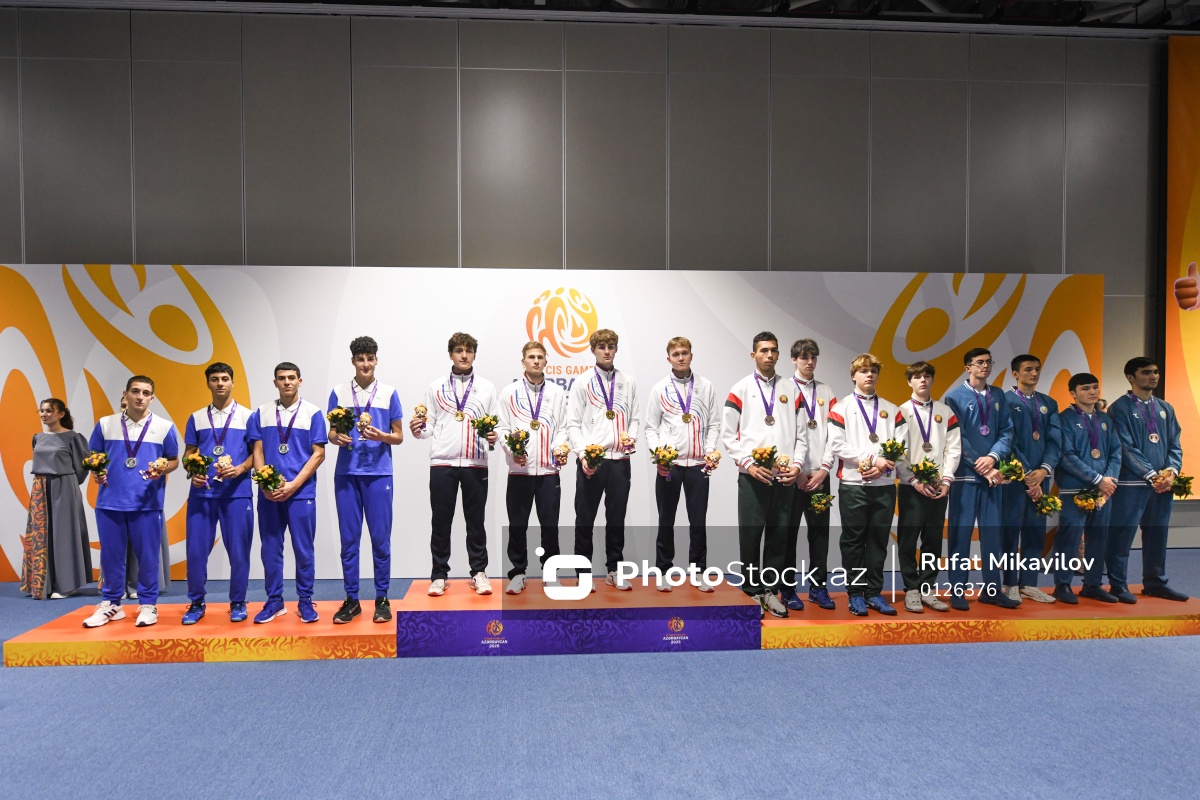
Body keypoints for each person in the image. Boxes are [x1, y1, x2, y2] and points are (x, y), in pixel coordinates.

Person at [82, 376, 180, 628]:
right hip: (109, 502)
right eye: (135, 391)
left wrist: (163, 469)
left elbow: (174, 460)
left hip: (147, 503)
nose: (140, 396)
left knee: (148, 557)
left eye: (145, 393)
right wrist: (97, 472)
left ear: (152, 398)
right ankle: (111, 604)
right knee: (111, 556)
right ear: (125, 394)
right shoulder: (106, 424)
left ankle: (148, 604)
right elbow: (94, 456)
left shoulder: (164, 427)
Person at [412, 333, 500, 597]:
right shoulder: (436, 387)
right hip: (442, 462)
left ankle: (479, 572)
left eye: (469, 351)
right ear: (450, 354)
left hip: (476, 463)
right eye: (459, 350)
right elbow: (427, 426)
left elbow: (497, 425)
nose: (464, 355)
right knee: (441, 522)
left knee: (476, 522)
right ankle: (439, 575)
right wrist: (418, 429)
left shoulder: (486, 387)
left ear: (474, 355)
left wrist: (494, 436)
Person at [720, 332, 801, 618]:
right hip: (753, 476)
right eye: (764, 350)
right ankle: (751, 591)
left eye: (773, 350)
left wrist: (797, 465)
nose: (769, 355)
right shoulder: (740, 389)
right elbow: (728, 434)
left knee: (779, 537)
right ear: (753, 354)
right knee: (751, 536)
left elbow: (802, 435)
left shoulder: (791, 390)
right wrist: (748, 464)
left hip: (784, 477)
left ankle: (770, 591)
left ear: (778, 355)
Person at [327, 336, 405, 624]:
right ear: (353, 361)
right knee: (349, 541)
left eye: (370, 358)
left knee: (380, 539)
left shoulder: (389, 393)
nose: (365, 364)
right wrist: (337, 437)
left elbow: (399, 436)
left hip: (378, 474)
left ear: (376, 360)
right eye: (360, 359)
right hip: (347, 474)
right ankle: (352, 600)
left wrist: (382, 436)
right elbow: (331, 432)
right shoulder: (338, 392)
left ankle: (382, 597)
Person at [247, 362, 327, 624]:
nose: (287, 382)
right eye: (282, 378)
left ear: (300, 381)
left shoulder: (313, 413)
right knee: (270, 549)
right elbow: (257, 451)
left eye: (292, 378)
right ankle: (274, 601)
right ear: (275, 383)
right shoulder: (261, 412)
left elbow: (319, 454)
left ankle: (305, 600)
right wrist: (265, 484)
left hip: (301, 492)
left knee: (303, 549)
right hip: (269, 495)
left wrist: (294, 485)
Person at [1105, 357, 1189, 602]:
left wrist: (1171, 471)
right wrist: (1151, 474)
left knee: (1157, 535)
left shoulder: (1165, 408)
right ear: (1130, 377)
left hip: (1162, 486)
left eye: (1155, 372)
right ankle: (1118, 585)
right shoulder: (1119, 408)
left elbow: (1175, 443)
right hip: (1132, 484)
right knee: (1122, 535)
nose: (1153, 376)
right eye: (1146, 372)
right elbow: (1125, 447)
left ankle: (1156, 583)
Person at [828, 354, 903, 616]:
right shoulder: (841, 408)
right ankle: (855, 594)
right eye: (863, 371)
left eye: (873, 371)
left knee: (878, 541)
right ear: (853, 375)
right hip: (853, 484)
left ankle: (873, 593)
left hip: (884, 484)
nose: (869, 375)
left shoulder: (892, 409)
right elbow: (837, 445)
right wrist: (873, 459)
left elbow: (901, 445)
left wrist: (883, 465)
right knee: (853, 541)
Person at [644, 337, 721, 593]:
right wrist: (660, 456)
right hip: (671, 466)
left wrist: (709, 451)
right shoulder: (660, 388)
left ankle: (698, 572)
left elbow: (714, 424)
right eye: (675, 354)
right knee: (666, 520)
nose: (680, 357)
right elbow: (650, 428)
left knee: (698, 521)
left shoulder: (706, 386)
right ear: (668, 358)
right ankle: (663, 571)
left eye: (684, 352)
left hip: (698, 465)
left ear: (691, 355)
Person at [567, 329, 641, 591]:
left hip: (620, 460)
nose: (606, 351)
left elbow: (634, 418)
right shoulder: (582, 382)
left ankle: (614, 570)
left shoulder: (628, 382)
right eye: (601, 347)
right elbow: (573, 423)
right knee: (585, 519)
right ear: (593, 350)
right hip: (592, 461)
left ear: (616, 349)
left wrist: (631, 438)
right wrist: (583, 455)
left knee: (616, 518)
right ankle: (583, 573)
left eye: (611, 346)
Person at [944, 348, 1018, 610]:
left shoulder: (998, 395)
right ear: (968, 368)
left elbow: (1007, 430)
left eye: (988, 362)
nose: (985, 366)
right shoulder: (954, 397)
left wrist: (994, 457)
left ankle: (991, 590)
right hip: (966, 477)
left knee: (992, 536)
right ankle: (957, 590)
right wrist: (982, 465)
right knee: (960, 535)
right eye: (979, 362)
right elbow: (956, 437)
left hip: (992, 477)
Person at [181, 363, 255, 625]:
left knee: (239, 552)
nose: (220, 383)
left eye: (225, 378)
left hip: (237, 494)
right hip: (203, 494)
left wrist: (241, 468)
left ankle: (238, 601)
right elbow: (188, 454)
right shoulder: (196, 417)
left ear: (233, 382)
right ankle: (196, 602)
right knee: (196, 552)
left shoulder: (248, 416)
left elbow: (257, 454)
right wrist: (193, 470)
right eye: (215, 379)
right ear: (208, 384)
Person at [496, 342, 569, 595]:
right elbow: (502, 428)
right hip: (520, 471)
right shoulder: (509, 392)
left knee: (550, 525)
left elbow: (562, 428)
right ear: (523, 361)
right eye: (531, 357)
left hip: (549, 471)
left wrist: (559, 449)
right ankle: (518, 573)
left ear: (546, 361)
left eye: (540, 357)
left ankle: (550, 574)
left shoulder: (557, 393)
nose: (536, 361)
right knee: (517, 525)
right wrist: (512, 450)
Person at [895, 362, 960, 613]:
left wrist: (946, 479)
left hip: (937, 486)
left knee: (932, 540)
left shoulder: (945, 411)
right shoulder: (900, 412)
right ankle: (911, 589)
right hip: (912, 486)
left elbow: (953, 449)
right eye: (917, 377)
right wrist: (913, 479)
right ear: (909, 381)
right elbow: (897, 451)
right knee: (908, 539)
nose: (922, 380)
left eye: (927, 376)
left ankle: (927, 588)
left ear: (932, 380)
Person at [1052, 372, 1121, 604]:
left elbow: (1116, 452)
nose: (1092, 392)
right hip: (1075, 490)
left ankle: (1092, 584)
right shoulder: (1064, 419)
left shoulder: (1105, 420)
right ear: (1073, 393)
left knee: (1099, 537)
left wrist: (1109, 480)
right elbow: (1066, 456)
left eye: (1094, 387)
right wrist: (1097, 478)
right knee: (1069, 538)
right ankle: (1062, 585)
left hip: (1103, 491)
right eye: (1085, 388)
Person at [1000, 354, 1061, 604]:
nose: (1034, 373)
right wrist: (1026, 473)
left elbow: (1055, 440)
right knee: (1010, 531)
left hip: (1040, 477)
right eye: (1028, 369)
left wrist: (1044, 470)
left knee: (1035, 531)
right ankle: (1009, 583)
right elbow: (1007, 439)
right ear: (1015, 373)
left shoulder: (1048, 403)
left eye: (1037, 369)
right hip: (1014, 478)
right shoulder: (1004, 400)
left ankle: (1029, 583)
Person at [783, 338, 838, 610]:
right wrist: (797, 472)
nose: (809, 362)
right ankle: (787, 589)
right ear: (794, 359)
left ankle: (818, 588)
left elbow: (835, 435)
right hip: (791, 478)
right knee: (788, 534)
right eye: (804, 357)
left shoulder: (826, 392)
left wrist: (824, 469)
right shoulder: (783, 390)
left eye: (813, 357)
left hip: (819, 478)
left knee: (819, 533)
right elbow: (782, 434)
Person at [22, 399, 91, 600]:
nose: (44, 414)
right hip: (40, 487)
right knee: (41, 534)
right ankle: (44, 583)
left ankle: (67, 585)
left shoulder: (73, 437)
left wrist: (69, 483)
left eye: (49, 411)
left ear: (61, 414)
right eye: (42, 411)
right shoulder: (37, 438)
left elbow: (82, 466)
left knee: (64, 534)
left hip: (64, 487)